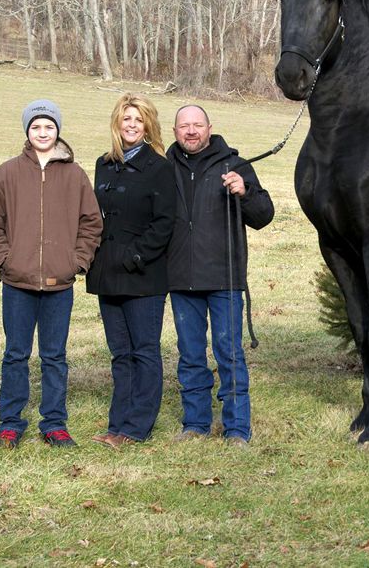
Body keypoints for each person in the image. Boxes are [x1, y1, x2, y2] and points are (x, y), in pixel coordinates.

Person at [0, 99, 102, 449]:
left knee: (54, 356)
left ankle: (54, 423)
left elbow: (91, 224)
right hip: (18, 283)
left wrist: (76, 262)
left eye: (49, 126)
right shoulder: (7, 173)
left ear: (58, 130)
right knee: (16, 354)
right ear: (27, 132)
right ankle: (10, 423)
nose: (43, 132)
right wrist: (6, 261)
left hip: (59, 284)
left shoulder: (75, 175)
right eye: (36, 127)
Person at [166, 104, 274, 446]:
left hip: (224, 278)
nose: (191, 131)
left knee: (229, 353)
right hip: (181, 278)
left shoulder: (234, 165)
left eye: (197, 125)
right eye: (185, 126)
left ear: (210, 128)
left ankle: (237, 428)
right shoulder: (164, 167)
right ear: (175, 131)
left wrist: (245, 192)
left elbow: (264, 215)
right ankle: (195, 423)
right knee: (191, 355)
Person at [86, 94, 176, 449]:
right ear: (117, 124)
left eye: (138, 120)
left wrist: (136, 256)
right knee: (120, 352)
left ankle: (137, 426)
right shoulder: (104, 164)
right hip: (107, 273)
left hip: (143, 276)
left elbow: (164, 222)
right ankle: (116, 424)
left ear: (148, 125)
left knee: (144, 350)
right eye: (126, 120)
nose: (132, 126)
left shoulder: (159, 167)